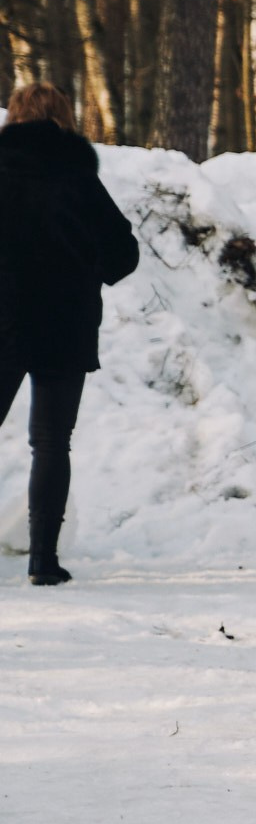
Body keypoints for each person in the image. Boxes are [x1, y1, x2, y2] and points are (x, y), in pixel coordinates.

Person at [0, 83, 140, 586]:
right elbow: (123, 254)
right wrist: (83, 265)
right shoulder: (80, 180)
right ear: (63, 118)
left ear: (14, 119)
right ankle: (42, 560)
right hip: (64, 320)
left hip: (4, 318)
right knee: (52, 442)